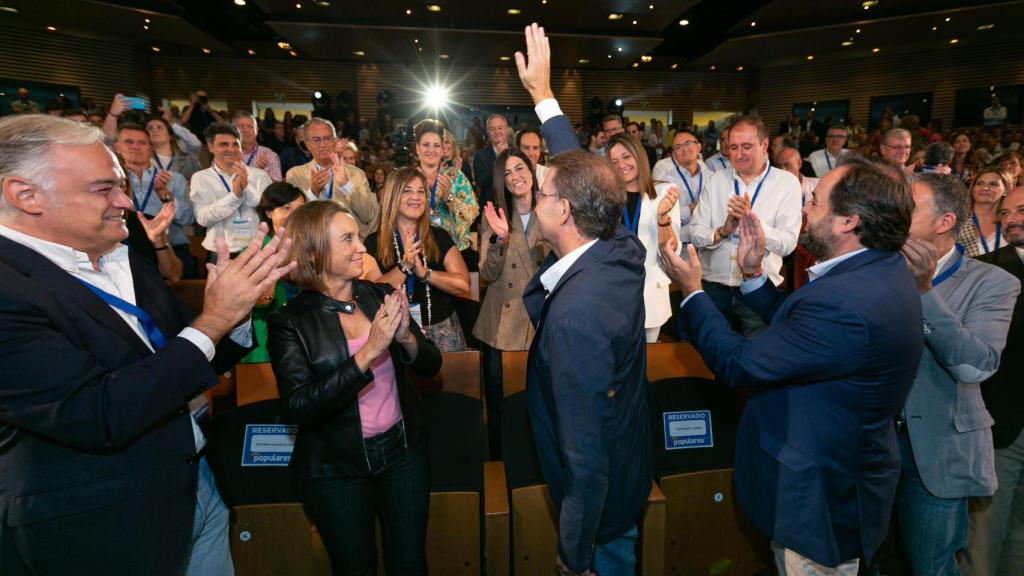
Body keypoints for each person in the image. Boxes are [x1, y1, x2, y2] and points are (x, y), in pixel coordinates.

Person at [0, 114, 294, 575]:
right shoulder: (8, 288)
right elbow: (97, 412)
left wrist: (232, 316)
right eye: (103, 188)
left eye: (120, 184)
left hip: (196, 482)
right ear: (25, 195)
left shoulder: (120, 252)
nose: (123, 200)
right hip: (107, 521)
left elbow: (185, 353)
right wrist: (213, 320)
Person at [658, 155, 924, 574]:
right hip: (837, 476)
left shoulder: (848, 299)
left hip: (820, 501)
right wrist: (753, 275)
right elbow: (807, 334)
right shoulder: (874, 270)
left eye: (815, 201)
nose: (803, 209)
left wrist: (692, 292)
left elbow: (739, 363)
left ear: (847, 222)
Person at [516, 23, 652, 576]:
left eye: (542, 190)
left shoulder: (575, 318)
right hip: (629, 472)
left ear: (565, 211)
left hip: (602, 510)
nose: (535, 192)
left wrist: (573, 557)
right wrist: (543, 97)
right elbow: (581, 173)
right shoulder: (621, 250)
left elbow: (586, 462)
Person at [267, 201, 440, 575]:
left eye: (358, 237)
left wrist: (408, 339)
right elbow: (300, 406)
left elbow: (431, 366)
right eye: (347, 239)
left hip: (402, 453)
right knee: (354, 567)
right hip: (336, 469)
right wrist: (369, 354)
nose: (361, 247)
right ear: (315, 252)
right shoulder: (290, 322)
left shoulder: (376, 295)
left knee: (410, 564)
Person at [894, 173, 1019, 576]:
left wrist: (924, 292)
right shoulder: (875, 269)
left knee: (931, 568)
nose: (894, 213)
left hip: (938, 453)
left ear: (944, 222)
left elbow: (975, 365)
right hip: (871, 448)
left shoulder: (993, 281)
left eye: (907, 206)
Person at [689, 115, 802, 336]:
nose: (739, 154)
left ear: (764, 144)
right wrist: (723, 231)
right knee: (711, 357)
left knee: (758, 356)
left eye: (747, 147)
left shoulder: (786, 183)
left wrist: (754, 225)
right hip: (714, 287)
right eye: (733, 147)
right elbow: (695, 232)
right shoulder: (716, 180)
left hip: (759, 287)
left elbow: (788, 244)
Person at [474, 148, 550, 457]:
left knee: (541, 402)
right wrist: (501, 239)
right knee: (502, 405)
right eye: (507, 173)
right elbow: (487, 273)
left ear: (532, 172)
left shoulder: (554, 207)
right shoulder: (494, 216)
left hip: (543, 321)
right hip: (503, 325)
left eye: (520, 168)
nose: (515, 177)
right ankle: (502, 464)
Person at [966, 184, 1024, 576]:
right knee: (985, 536)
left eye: (1021, 209)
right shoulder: (985, 269)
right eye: (1006, 213)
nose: (1012, 219)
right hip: (1002, 423)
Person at [364, 168, 470, 352]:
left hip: (442, 331)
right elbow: (370, 293)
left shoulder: (438, 236)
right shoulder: (374, 242)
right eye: (407, 191)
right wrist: (404, 268)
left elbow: (463, 284)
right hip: (392, 334)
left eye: (421, 191)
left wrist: (425, 274)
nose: (416, 197)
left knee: (451, 381)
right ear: (393, 196)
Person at [607, 132, 682, 342]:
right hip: (614, 291)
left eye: (626, 156)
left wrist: (662, 217)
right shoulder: (608, 197)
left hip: (650, 291)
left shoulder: (664, 192)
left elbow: (671, 249)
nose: (621, 164)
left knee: (648, 361)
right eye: (614, 161)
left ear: (638, 155)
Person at [114, 122, 196, 278]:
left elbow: (188, 219)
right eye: (129, 142)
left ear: (151, 149)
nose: (135, 147)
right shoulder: (113, 181)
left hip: (171, 249)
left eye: (142, 143)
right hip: (126, 252)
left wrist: (166, 196)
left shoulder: (173, 179)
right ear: (117, 147)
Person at [240, 182, 306, 363]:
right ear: (269, 212)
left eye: (299, 208)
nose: (294, 213)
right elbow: (251, 307)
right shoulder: (255, 252)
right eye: (286, 207)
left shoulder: (311, 248)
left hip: (306, 331)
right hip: (266, 333)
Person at [285, 117, 380, 238]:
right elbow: (293, 218)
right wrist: (313, 193)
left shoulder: (356, 174)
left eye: (327, 138)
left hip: (352, 245)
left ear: (335, 141)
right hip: (314, 246)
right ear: (307, 144)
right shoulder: (295, 175)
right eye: (316, 140)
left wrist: (346, 185)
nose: (323, 144)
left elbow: (368, 215)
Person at [190, 122, 273, 258]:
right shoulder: (201, 178)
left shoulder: (259, 175)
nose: (231, 149)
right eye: (224, 144)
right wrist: (234, 196)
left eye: (235, 144)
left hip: (257, 249)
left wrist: (246, 188)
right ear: (211, 147)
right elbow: (203, 218)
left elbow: (268, 211)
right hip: (221, 252)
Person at [411, 119, 479, 252]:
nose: (431, 150)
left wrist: (448, 197)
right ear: (417, 148)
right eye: (426, 144)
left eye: (436, 145)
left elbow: (471, 213)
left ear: (442, 149)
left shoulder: (456, 177)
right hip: (416, 247)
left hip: (452, 248)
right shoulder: (407, 178)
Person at [652, 128, 711, 242]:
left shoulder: (712, 178)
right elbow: (661, 217)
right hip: (680, 245)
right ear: (674, 154)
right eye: (678, 147)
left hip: (709, 244)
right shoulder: (666, 181)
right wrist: (690, 210)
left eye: (688, 143)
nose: (684, 149)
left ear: (698, 147)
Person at [958, 167, 1012, 258]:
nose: (985, 188)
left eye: (993, 184)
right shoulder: (957, 220)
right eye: (979, 184)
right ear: (973, 188)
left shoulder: (1012, 222)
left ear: (1006, 190)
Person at [146, 116, 202, 184]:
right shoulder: (142, 161)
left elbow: (196, 144)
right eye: (150, 128)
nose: (154, 130)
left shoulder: (188, 160)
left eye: (159, 127)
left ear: (170, 136)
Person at [232, 111, 282, 182]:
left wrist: (261, 173)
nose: (246, 130)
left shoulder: (270, 155)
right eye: (241, 126)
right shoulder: (224, 155)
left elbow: (277, 188)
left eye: (250, 126)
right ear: (232, 130)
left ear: (257, 130)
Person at [473, 114, 510, 210]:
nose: (497, 132)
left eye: (500, 128)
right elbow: (481, 182)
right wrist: (498, 159)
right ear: (488, 133)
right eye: (492, 129)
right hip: (490, 208)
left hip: (514, 209)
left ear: (506, 130)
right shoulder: (480, 155)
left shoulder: (517, 153)